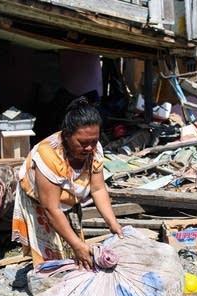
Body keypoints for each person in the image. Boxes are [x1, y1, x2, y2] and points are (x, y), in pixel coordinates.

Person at [12, 97, 123, 271]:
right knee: (52, 253)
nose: (89, 148)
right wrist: (77, 245)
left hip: (68, 198)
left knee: (76, 249)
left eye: (94, 141)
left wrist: (112, 223)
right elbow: (52, 209)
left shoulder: (94, 149)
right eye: (83, 143)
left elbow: (98, 188)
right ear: (66, 135)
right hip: (42, 202)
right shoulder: (49, 155)